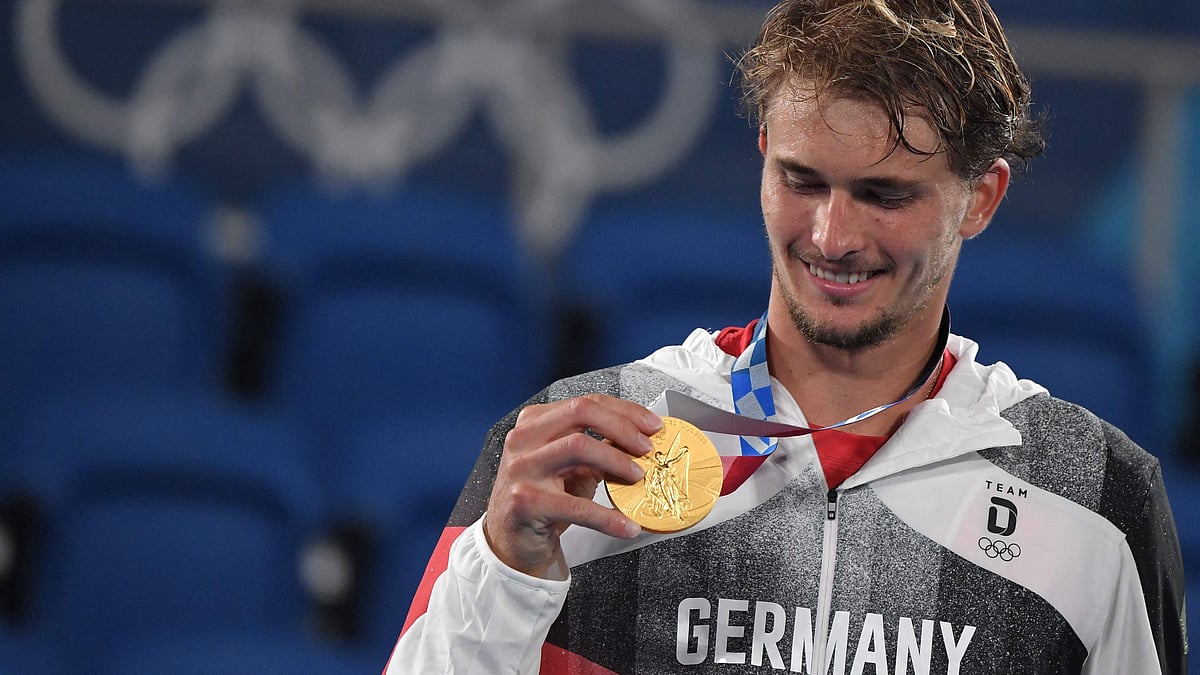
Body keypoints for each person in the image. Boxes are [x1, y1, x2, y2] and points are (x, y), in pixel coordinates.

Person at [385, 0, 1188, 672]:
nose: (833, 236)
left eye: (884, 194)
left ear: (981, 199)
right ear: (764, 156)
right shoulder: (582, 449)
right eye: (803, 181)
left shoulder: (1093, 496)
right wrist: (502, 568)